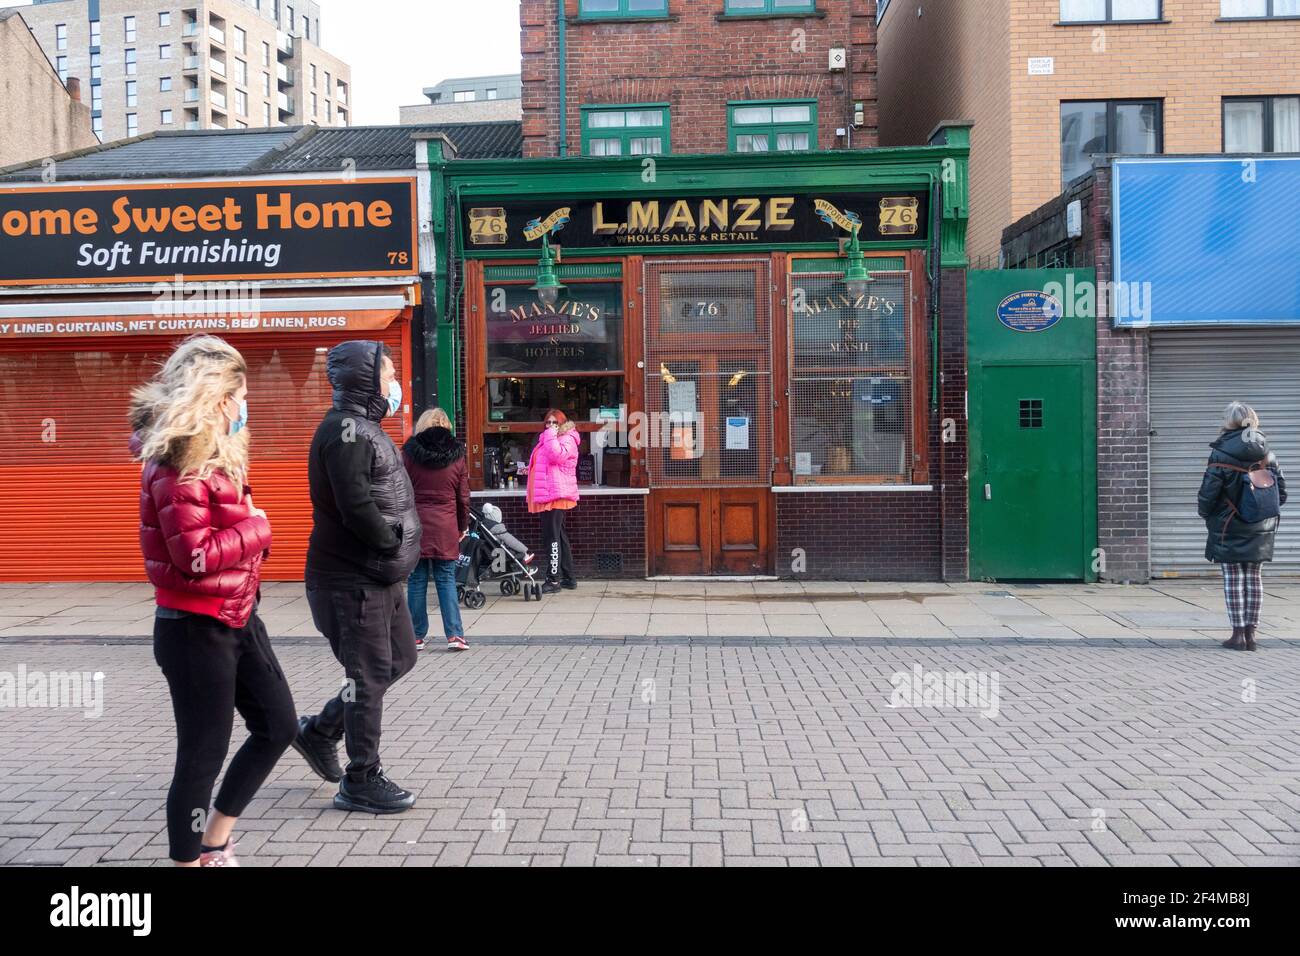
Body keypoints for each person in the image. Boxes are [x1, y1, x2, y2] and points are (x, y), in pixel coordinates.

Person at [131, 335, 296, 867]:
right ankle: (187, 861)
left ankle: (215, 840)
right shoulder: (179, 464)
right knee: (200, 759)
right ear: (221, 398)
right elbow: (194, 558)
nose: (246, 408)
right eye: (242, 395)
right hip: (194, 628)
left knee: (278, 725)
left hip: (238, 615)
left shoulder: (218, 457)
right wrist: (257, 528)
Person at [291, 341, 422, 814]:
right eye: (388, 376)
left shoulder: (364, 427)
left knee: (399, 659)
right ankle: (361, 779)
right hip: (350, 580)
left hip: (381, 580)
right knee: (366, 677)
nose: (394, 385)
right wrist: (391, 541)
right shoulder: (346, 431)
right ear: (366, 380)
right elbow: (356, 505)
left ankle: (320, 730)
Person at [1197, 401, 1287, 651]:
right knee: (1254, 577)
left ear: (1229, 422)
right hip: (1261, 524)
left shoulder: (1221, 452)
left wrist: (1206, 514)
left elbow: (1209, 492)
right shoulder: (1267, 452)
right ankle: (1251, 635)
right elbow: (1281, 493)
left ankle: (1237, 635)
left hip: (1228, 524)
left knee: (1233, 577)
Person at [402, 407, 469, 652]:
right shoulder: (457, 454)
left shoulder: (409, 453)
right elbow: (463, 497)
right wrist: (462, 526)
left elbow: (400, 491)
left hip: (416, 524)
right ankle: (455, 635)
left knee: (417, 580)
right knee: (446, 579)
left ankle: (416, 636)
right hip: (446, 524)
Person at [526, 408, 580, 593]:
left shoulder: (566, 439)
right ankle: (568, 577)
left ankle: (553, 580)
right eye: (547, 423)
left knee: (552, 538)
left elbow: (556, 456)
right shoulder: (550, 439)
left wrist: (549, 435)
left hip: (555, 495)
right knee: (559, 535)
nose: (550, 426)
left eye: (554, 423)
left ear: (562, 423)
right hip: (548, 493)